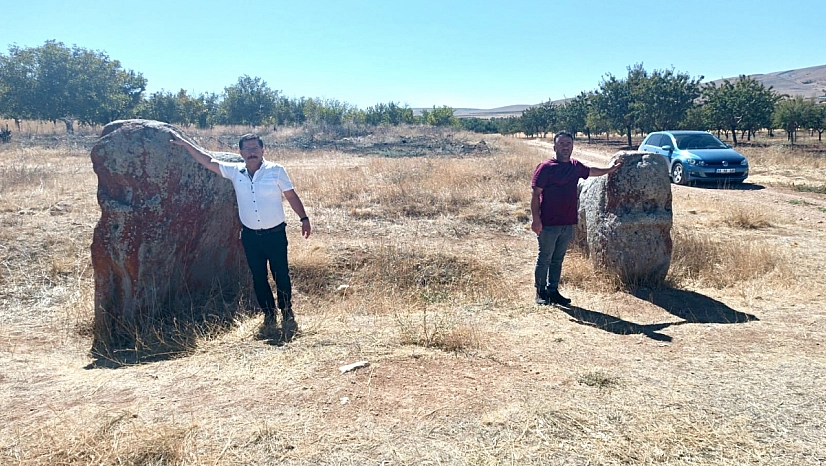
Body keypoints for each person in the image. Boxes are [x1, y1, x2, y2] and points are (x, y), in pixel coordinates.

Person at [170, 131, 311, 335]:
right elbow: (208, 161)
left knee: (281, 274)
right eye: (248, 149)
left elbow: (291, 196)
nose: (252, 152)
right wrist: (186, 144)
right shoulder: (236, 171)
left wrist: (304, 219)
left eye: (255, 148)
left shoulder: (276, 170)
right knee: (258, 276)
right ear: (240, 152)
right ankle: (269, 314)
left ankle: (287, 310)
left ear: (263, 150)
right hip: (251, 236)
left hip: (275, 234)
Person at [531, 131, 621, 306]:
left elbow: (591, 171)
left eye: (569, 144)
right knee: (545, 258)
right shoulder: (546, 167)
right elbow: (535, 195)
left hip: (567, 222)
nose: (566, 147)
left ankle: (553, 290)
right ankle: (540, 292)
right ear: (554, 147)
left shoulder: (574, 166)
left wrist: (610, 170)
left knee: (558, 259)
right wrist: (536, 220)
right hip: (548, 223)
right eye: (562, 144)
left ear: (572, 146)